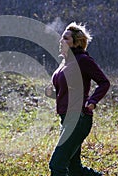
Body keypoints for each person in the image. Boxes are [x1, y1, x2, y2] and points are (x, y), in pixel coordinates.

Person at [45, 22, 110, 176]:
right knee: (75, 169)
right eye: (62, 38)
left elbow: (104, 82)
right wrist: (52, 94)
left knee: (57, 165)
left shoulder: (83, 60)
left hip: (78, 118)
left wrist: (93, 101)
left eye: (66, 38)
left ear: (76, 42)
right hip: (66, 119)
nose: (61, 41)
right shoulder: (64, 64)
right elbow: (67, 92)